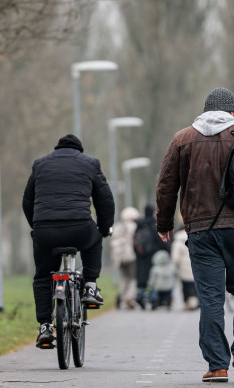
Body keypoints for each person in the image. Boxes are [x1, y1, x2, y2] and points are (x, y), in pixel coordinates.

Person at [155, 88, 234, 383]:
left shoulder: (183, 139)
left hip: (201, 231)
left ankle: (217, 366)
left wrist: (164, 223)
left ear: (205, 111)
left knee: (211, 297)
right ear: (232, 112)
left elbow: (166, 185)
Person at [22, 134, 115, 348]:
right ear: (79, 150)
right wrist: (104, 228)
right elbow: (105, 200)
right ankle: (90, 286)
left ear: (57, 148)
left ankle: (45, 326)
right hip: (79, 229)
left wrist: (37, 226)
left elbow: (27, 201)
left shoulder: (40, 164)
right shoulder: (90, 163)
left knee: (43, 277)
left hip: (45, 231)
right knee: (95, 238)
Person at [133, 204, 168, 309]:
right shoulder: (154, 225)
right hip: (153, 257)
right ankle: (153, 299)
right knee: (153, 279)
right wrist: (167, 249)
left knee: (142, 280)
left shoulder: (139, 225)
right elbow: (160, 241)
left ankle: (140, 296)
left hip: (141, 257)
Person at [110, 206, 141, 308]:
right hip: (131, 256)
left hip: (119, 257)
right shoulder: (134, 226)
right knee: (132, 277)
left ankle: (123, 299)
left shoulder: (117, 226)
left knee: (123, 278)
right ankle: (130, 296)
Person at [171, 229, 199, 310]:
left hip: (183, 268)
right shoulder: (196, 238)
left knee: (186, 286)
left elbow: (175, 258)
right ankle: (195, 300)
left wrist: (176, 266)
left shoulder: (178, 242)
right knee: (195, 285)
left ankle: (188, 301)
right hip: (196, 266)